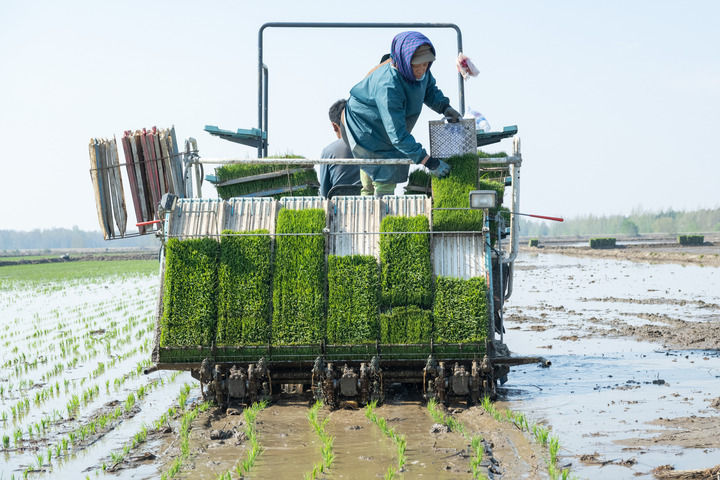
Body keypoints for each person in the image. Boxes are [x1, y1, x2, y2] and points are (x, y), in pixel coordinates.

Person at [343, 31, 461, 196]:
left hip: (388, 127)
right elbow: (397, 135)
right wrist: (429, 161)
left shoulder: (422, 71)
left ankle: (373, 197)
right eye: (416, 65)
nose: (421, 70)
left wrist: (444, 107)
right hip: (365, 126)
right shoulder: (388, 86)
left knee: (383, 167)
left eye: (425, 64)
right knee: (383, 173)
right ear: (404, 61)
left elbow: (429, 90)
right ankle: (378, 214)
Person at [318, 99, 361, 198]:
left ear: (334, 126)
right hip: (369, 205)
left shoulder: (328, 152)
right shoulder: (371, 145)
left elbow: (325, 193)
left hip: (338, 209)